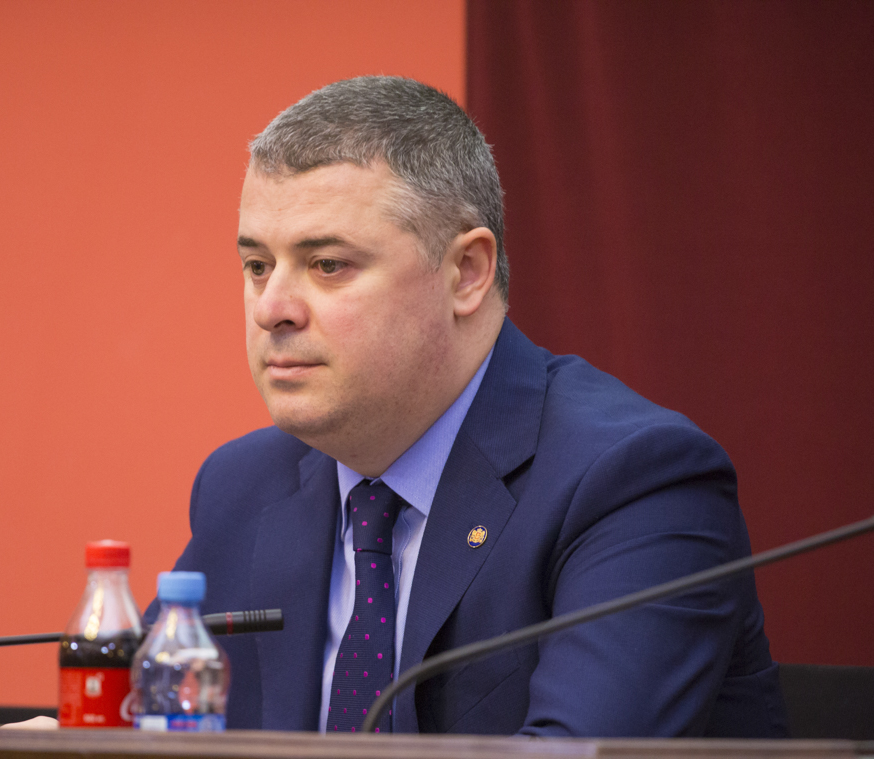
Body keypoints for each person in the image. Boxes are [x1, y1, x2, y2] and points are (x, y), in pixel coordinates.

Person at [150, 76, 788, 737]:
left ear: (467, 273)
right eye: (257, 265)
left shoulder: (632, 482)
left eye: (328, 265)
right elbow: (145, 723)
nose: (272, 308)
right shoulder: (243, 485)